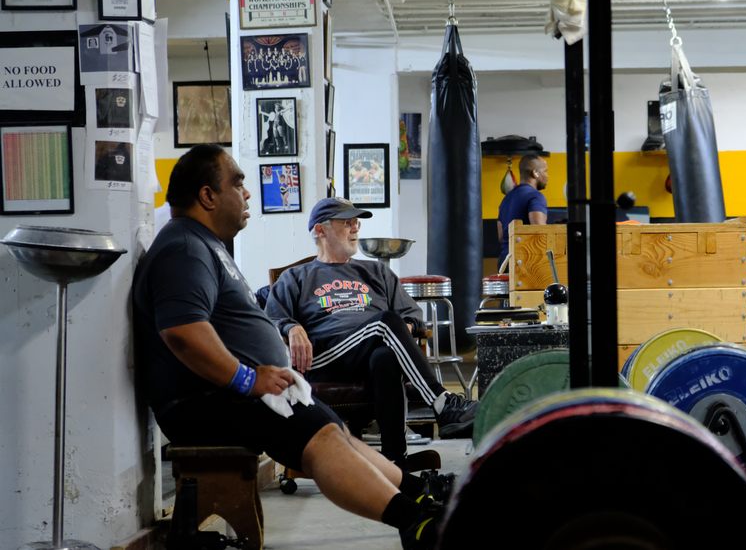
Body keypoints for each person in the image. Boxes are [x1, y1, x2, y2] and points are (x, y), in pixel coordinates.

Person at [131, 145, 442, 549]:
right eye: (238, 183)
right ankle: (417, 522)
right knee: (323, 439)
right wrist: (248, 379)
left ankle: (418, 491)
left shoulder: (203, 245)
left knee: (338, 431)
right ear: (207, 196)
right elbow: (183, 333)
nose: (247, 194)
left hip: (234, 393)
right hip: (204, 401)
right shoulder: (184, 248)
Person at [265, 197, 478, 466]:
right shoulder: (296, 277)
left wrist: (403, 331)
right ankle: (443, 404)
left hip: (371, 351)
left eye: (356, 222)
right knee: (384, 322)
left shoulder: (376, 271)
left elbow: (412, 315)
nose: (355, 228)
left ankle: (394, 458)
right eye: (346, 223)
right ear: (320, 230)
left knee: (386, 357)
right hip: (325, 356)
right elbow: (270, 318)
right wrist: (292, 327)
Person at [496, 154, 549, 269]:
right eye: (545, 171)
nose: (547, 176)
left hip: (504, 263)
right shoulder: (535, 196)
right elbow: (539, 229)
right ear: (535, 173)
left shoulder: (506, 199)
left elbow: (501, 236)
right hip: (523, 263)